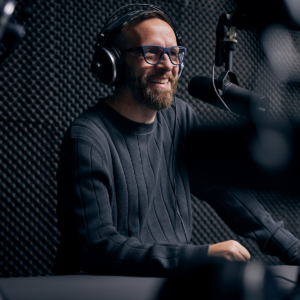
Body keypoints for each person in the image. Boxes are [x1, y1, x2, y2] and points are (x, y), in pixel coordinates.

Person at [53, 8, 299, 276]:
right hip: (104, 288)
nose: (168, 65)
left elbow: (232, 199)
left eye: (174, 54)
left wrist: (293, 250)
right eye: (152, 53)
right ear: (114, 62)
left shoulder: (179, 117)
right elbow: (96, 247)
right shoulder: (87, 138)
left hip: (166, 282)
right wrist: (200, 256)